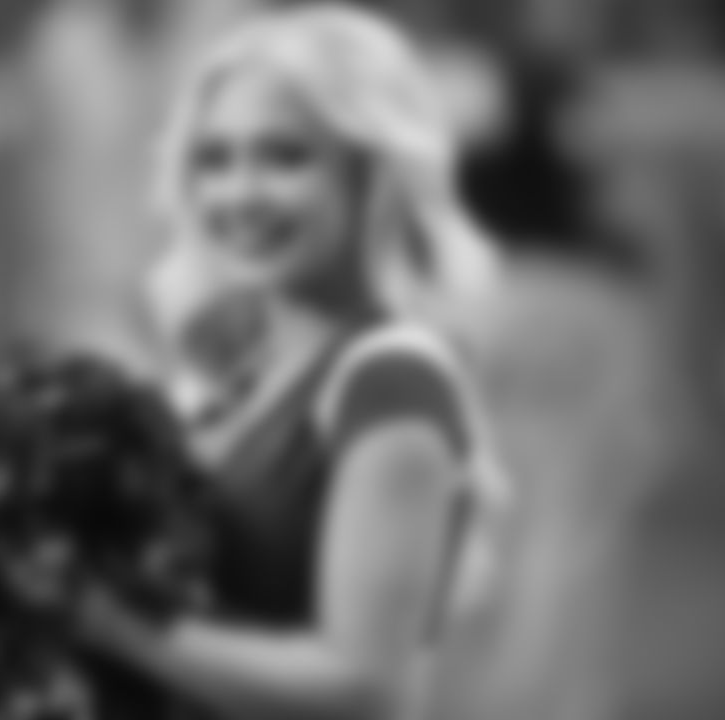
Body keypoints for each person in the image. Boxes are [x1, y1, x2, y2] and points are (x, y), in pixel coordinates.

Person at [67, 6, 508, 719]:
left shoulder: (391, 382)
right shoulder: (232, 373)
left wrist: (109, 618)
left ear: (372, 172)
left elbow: (364, 687)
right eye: (215, 160)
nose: (239, 194)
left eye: (284, 157)